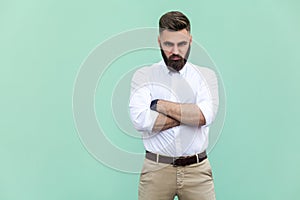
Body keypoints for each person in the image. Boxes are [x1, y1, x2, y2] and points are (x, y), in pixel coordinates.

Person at [129, 11, 219, 200]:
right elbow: (141, 120)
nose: (176, 51)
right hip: (156, 170)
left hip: (197, 171)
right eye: (169, 44)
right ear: (159, 41)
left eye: (182, 44)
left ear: (190, 41)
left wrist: (158, 104)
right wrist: (187, 115)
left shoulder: (206, 76)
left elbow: (204, 116)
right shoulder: (144, 76)